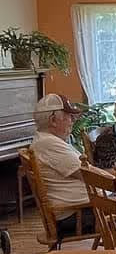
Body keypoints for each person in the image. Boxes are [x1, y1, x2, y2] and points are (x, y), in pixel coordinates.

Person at [29, 94, 96, 237]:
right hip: (76, 214)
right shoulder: (48, 143)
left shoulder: (47, 140)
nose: (73, 121)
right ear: (53, 120)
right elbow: (89, 175)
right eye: (69, 117)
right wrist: (115, 180)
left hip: (83, 209)